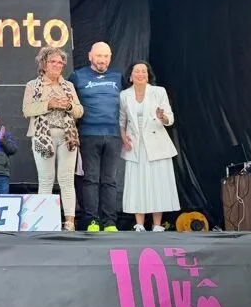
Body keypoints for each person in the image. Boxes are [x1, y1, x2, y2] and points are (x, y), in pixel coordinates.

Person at [23, 47, 83, 231]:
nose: (57, 65)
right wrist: (49, 104)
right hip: (43, 136)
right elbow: (27, 110)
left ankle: (70, 222)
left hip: (68, 137)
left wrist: (69, 105)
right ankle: (44, 221)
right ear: (44, 64)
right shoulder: (33, 85)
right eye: (53, 61)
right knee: (46, 179)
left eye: (60, 62)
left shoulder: (68, 86)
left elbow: (80, 111)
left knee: (66, 179)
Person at [69, 41, 123, 232]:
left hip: (114, 136)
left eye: (106, 56)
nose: (102, 60)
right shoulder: (77, 76)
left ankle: (109, 222)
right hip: (88, 134)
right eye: (99, 56)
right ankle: (92, 221)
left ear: (110, 57)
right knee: (91, 179)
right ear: (90, 56)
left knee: (110, 180)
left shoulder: (118, 77)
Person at [119, 61, 180, 232]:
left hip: (156, 144)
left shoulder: (158, 92)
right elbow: (122, 120)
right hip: (135, 144)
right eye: (137, 71)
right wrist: (124, 137)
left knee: (157, 184)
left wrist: (163, 117)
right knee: (137, 183)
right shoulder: (124, 95)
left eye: (144, 71)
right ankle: (139, 224)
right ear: (130, 76)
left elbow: (170, 118)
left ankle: (157, 225)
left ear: (148, 75)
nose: (140, 74)